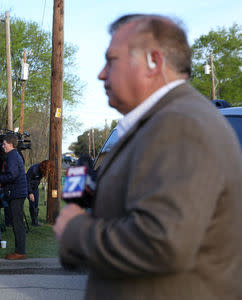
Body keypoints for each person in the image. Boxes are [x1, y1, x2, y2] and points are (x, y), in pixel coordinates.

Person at [54, 14, 242, 299]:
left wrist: (75, 231)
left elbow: (162, 244)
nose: (101, 73)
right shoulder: (157, 123)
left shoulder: (180, 125)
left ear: (154, 61)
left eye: (111, 60)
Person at [0, 134, 27, 260]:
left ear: (11, 144)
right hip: (17, 192)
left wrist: (0, 178)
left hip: (16, 193)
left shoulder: (12, 156)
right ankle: (20, 250)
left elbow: (12, 175)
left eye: (4, 144)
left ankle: (20, 252)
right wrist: (1, 182)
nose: (2, 146)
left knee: (17, 223)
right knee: (17, 222)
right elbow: (13, 176)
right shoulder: (14, 155)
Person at [26, 160, 54, 226]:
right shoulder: (34, 170)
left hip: (35, 188)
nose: (49, 170)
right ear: (45, 166)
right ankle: (33, 222)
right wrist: (30, 193)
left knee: (36, 204)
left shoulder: (41, 171)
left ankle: (35, 221)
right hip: (28, 188)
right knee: (32, 203)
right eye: (48, 168)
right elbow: (27, 181)